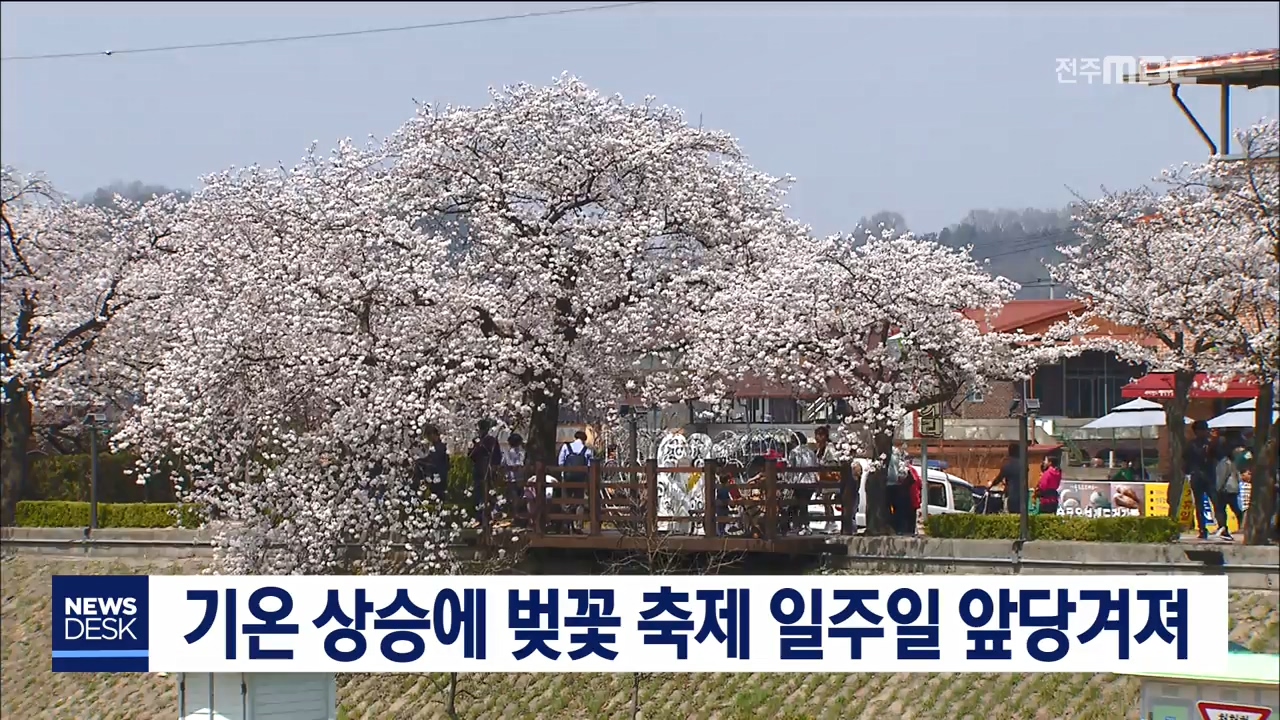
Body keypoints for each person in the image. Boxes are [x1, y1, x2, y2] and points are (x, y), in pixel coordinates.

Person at [1184, 420, 1217, 541]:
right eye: (1202, 430)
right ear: (1197, 432)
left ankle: (1223, 527)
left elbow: (1217, 456)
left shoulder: (1211, 443)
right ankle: (1202, 529)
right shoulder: (1191, 445)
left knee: (1216, 502)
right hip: (1197, 476)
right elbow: (1186, 460)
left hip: (1210, 476)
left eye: (1205, 429)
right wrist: (1191, 471)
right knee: (1199, 505)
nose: (1205, 432)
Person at [558, 430, 594, 533]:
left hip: (567, 478)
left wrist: (562, 475)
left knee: (566, 502)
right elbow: (589, 466)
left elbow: (560, 462)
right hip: (580, 479)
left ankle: (566, 525)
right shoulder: (587, 450)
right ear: (584, 439)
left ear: (575, 438)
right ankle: (578, 526)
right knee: (579, 502)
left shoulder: (566, 447)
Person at [468, 419, 502, 525]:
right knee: (479, 494)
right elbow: (471, 456)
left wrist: (494, 466)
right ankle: (480, 517)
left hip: (488, 469)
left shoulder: (491, 440)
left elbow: (497, 456)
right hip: (478, 469)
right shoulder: (476, 441)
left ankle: (491, 515)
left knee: (490, 493)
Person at [1213, 444, 1246, 541]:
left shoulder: (1224, 462)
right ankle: (1242, 524)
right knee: (1235, 508)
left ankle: (1223, 527)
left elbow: (1222, 477)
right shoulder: (1233, 462)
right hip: (1234, 488)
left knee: (1220, 509)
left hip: (1226, 489)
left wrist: (1218, 488)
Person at [415, 425, 450, 504]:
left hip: (440, 475)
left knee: (439, 497)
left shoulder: (440, 446)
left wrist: (422, 461)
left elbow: (434, 460)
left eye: (429, 436)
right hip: (436, 475)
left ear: (433, 435)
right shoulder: (436, 446)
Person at [885, 444, 914, 535]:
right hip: (891, 484)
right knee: (893, 509)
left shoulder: (896, 455)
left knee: (896, 509)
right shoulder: (889, 454)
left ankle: (896, 528)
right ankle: (896, 528)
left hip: (894, 485)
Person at [502, 432, 528, 525]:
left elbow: (504, 464)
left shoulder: (507, 453)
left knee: (514, 498)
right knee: (521, 497)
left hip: (511, 478)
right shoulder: (522, 453)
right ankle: (522, 517)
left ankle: (515, 516)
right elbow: (522, 464)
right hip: (520, 478)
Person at [990, 443, 1023, 515]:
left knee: (1011, 516)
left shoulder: (1007, 466)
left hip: (1011, 496)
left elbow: (999, 478)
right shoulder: (1024, 465)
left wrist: (991, 486)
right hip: (1023, 496)